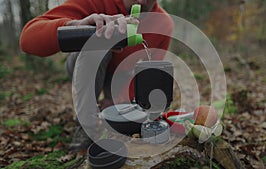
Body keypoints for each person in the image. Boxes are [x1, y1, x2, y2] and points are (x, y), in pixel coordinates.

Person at [19, 0, 173, 152]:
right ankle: (86, 128)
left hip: (121, 74)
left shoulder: (163, 23)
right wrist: (77, 26)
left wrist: (118, 98)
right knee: (97, 40)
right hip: (82, 64)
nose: (141, 1)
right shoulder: (94, 2)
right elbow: (28, 39)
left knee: (122, 113)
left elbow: (148, 72)